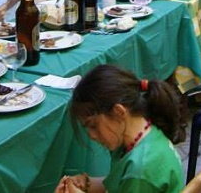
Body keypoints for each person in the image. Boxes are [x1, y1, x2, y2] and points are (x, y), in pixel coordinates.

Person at [55, 64, 185, 193]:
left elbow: (131, 180)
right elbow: (118, 184)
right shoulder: (142, 134)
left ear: (118, 112)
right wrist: (87, 183)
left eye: (93, 125)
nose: (91, 135)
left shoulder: (140, 170)